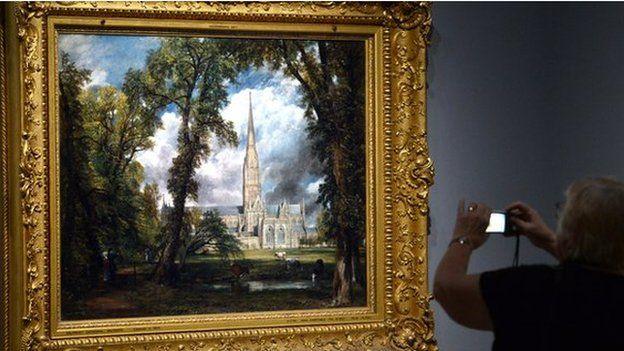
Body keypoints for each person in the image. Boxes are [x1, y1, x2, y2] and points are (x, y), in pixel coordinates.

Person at [434, 178, 624, 351]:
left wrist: (463, 239)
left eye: (562, 213)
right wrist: (551, 241)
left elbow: (447, 289)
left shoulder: (535, 288)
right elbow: (593, 276)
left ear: (570, 234)